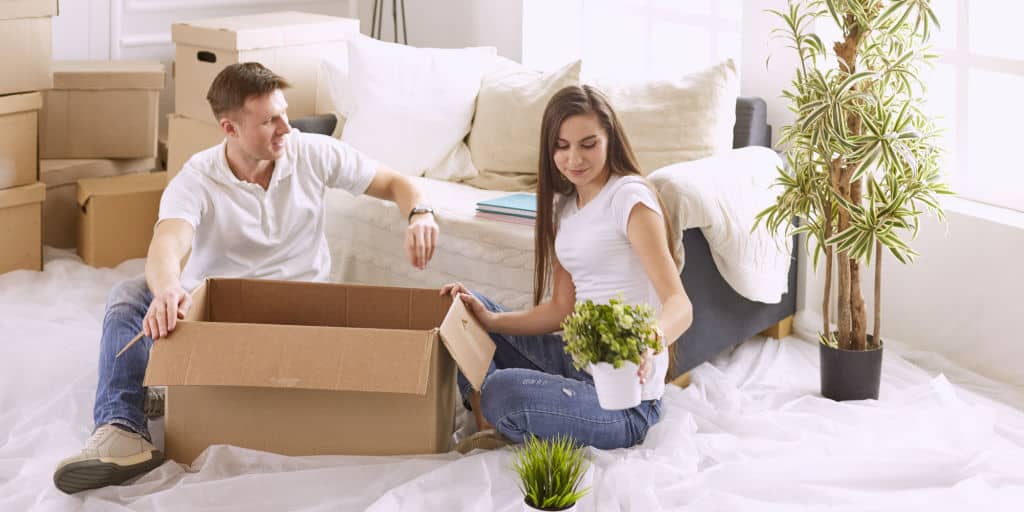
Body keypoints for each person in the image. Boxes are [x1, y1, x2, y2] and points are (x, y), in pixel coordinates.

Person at [53, 62, 440, 493]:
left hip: (301, 310)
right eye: (269, 120)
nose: (285, 127)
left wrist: (419, 214)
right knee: (129, 295)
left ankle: (170, 388)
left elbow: (394, 182)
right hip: (222, 317)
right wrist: (167, 290)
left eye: (284, 113)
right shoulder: (197, 177)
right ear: (229, 128)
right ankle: (123, 430)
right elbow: (168, 243)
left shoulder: (310, 152)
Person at [443, 85, 692, 452]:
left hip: (624, 402)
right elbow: (562, 310)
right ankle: (491, 416)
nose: (574, 158)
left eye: (588, 144)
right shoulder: (564, 207)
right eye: (562, 146)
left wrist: (649, 337)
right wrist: (491, 321)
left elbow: (680, 305)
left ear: (610, 138)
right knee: (462, 310)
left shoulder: (629, 198)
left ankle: (498, 410)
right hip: (575, 367)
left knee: (502, 389)